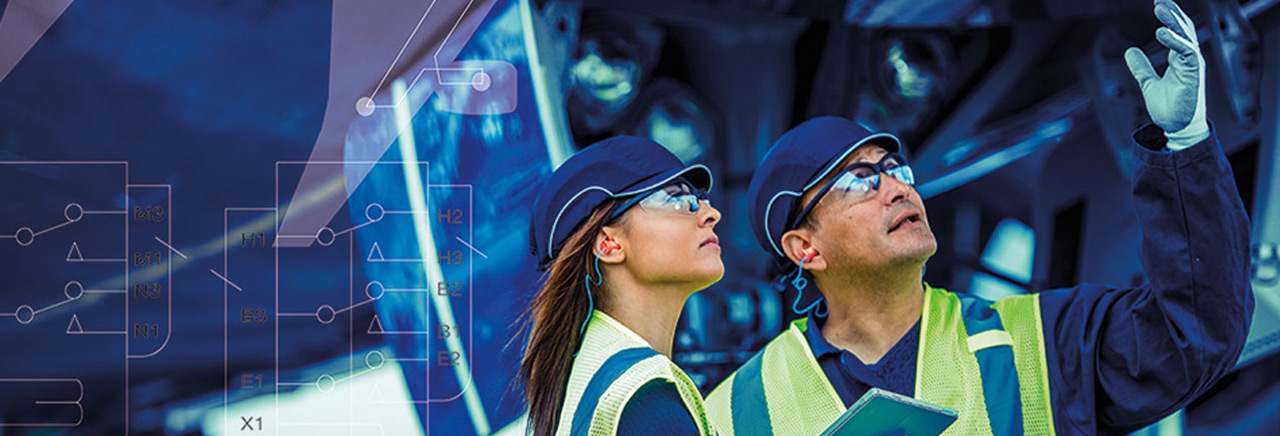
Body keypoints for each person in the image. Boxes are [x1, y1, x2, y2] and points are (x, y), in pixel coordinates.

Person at [704, 0, 1254, 434]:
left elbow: (1196, 336)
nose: (896, 187)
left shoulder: (1043, 344)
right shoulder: (732, 415)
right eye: (858, 181)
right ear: (806, 249)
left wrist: (1184, 143)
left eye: (897, 169)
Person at [520, 135, 724, 436]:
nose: (710, 214)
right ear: (609, 244)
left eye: (701, 199)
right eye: (679, 200)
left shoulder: (589, 374)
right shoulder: (644, 393)